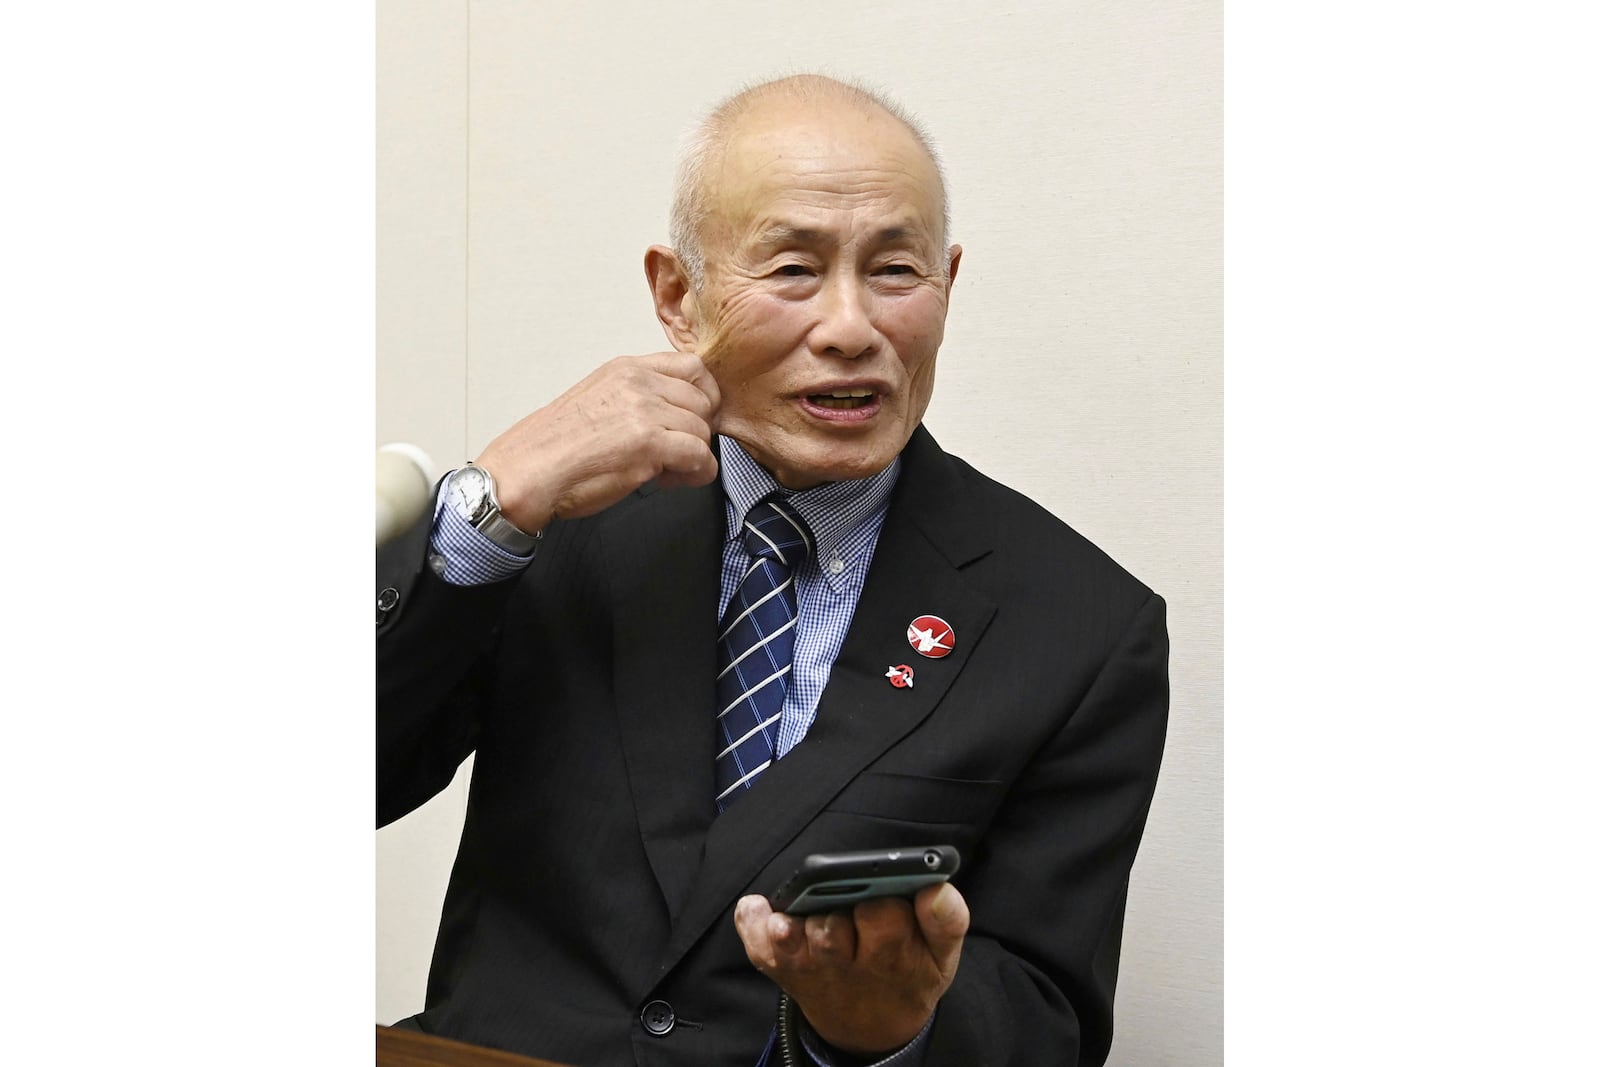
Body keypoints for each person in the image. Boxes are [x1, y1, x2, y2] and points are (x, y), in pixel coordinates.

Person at [377, 74, 1168, 1067]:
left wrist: (890, 1027)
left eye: (894, 271)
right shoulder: (564, 519)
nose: (849, 326)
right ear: (677, 294)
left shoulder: (1079, 622)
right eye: (794, 269)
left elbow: (1045, 1019)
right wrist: (485, 510)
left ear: (948, 283)